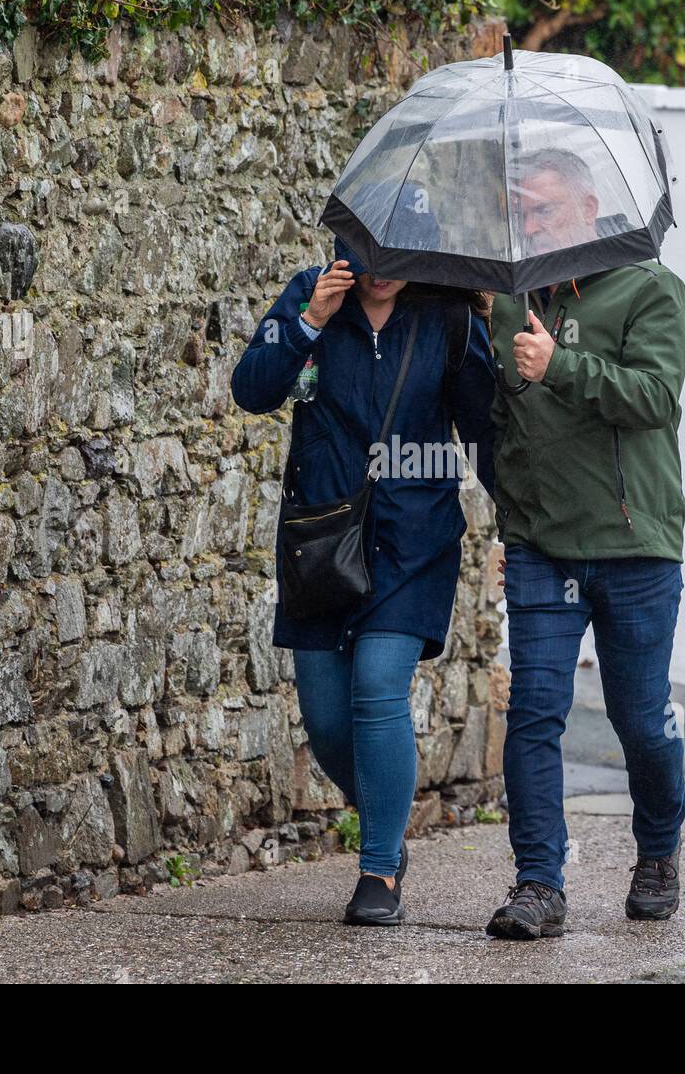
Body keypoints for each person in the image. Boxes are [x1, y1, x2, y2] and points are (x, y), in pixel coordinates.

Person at [230, 193, 496, 927]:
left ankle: (379, 869)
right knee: (326, 720)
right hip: (321, 540)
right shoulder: (309, 301)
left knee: (379, 688)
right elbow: (252, 391)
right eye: (362, 252)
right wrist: (308, 320)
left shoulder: (446, 319)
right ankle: (386, 819)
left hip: (414, 540)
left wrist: (520, 527)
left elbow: (483, 432)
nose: (376, 271)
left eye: (394, 255)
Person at [483, 147, 685, 939]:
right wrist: (511, 521)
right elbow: (505, 427)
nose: (529, 224)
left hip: (636, 543)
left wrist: (561, 364)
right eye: (522, 211)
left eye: (542, 209)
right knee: (534, 713)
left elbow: (653, 399)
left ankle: (659, 851)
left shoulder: (653, 288)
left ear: (586, 206)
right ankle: (539, 883)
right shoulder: (510, 304)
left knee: (639, 718)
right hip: (542, 547)